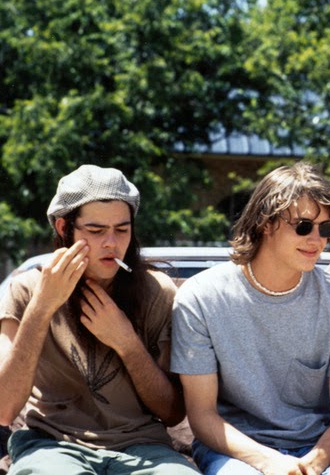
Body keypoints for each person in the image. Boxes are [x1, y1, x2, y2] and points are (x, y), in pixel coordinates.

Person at [171, 162, 330, 475]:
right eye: (303, 226)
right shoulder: (200, 297)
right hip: (234, 451)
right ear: (266, 223)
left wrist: (310, 466)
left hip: (318, 450)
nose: (317, 239)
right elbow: (201, 416)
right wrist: (270, 463)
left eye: (327, 228)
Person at [0, 165, 199, 474]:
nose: (111, 243)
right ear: (65, 228)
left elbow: (172, 413)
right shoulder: (25, 290)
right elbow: (4, 408)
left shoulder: (157, 291)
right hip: (51, 444)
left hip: (142, 446)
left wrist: (127, 343)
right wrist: (41, 308)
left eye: (122, 229)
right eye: (95, 231)